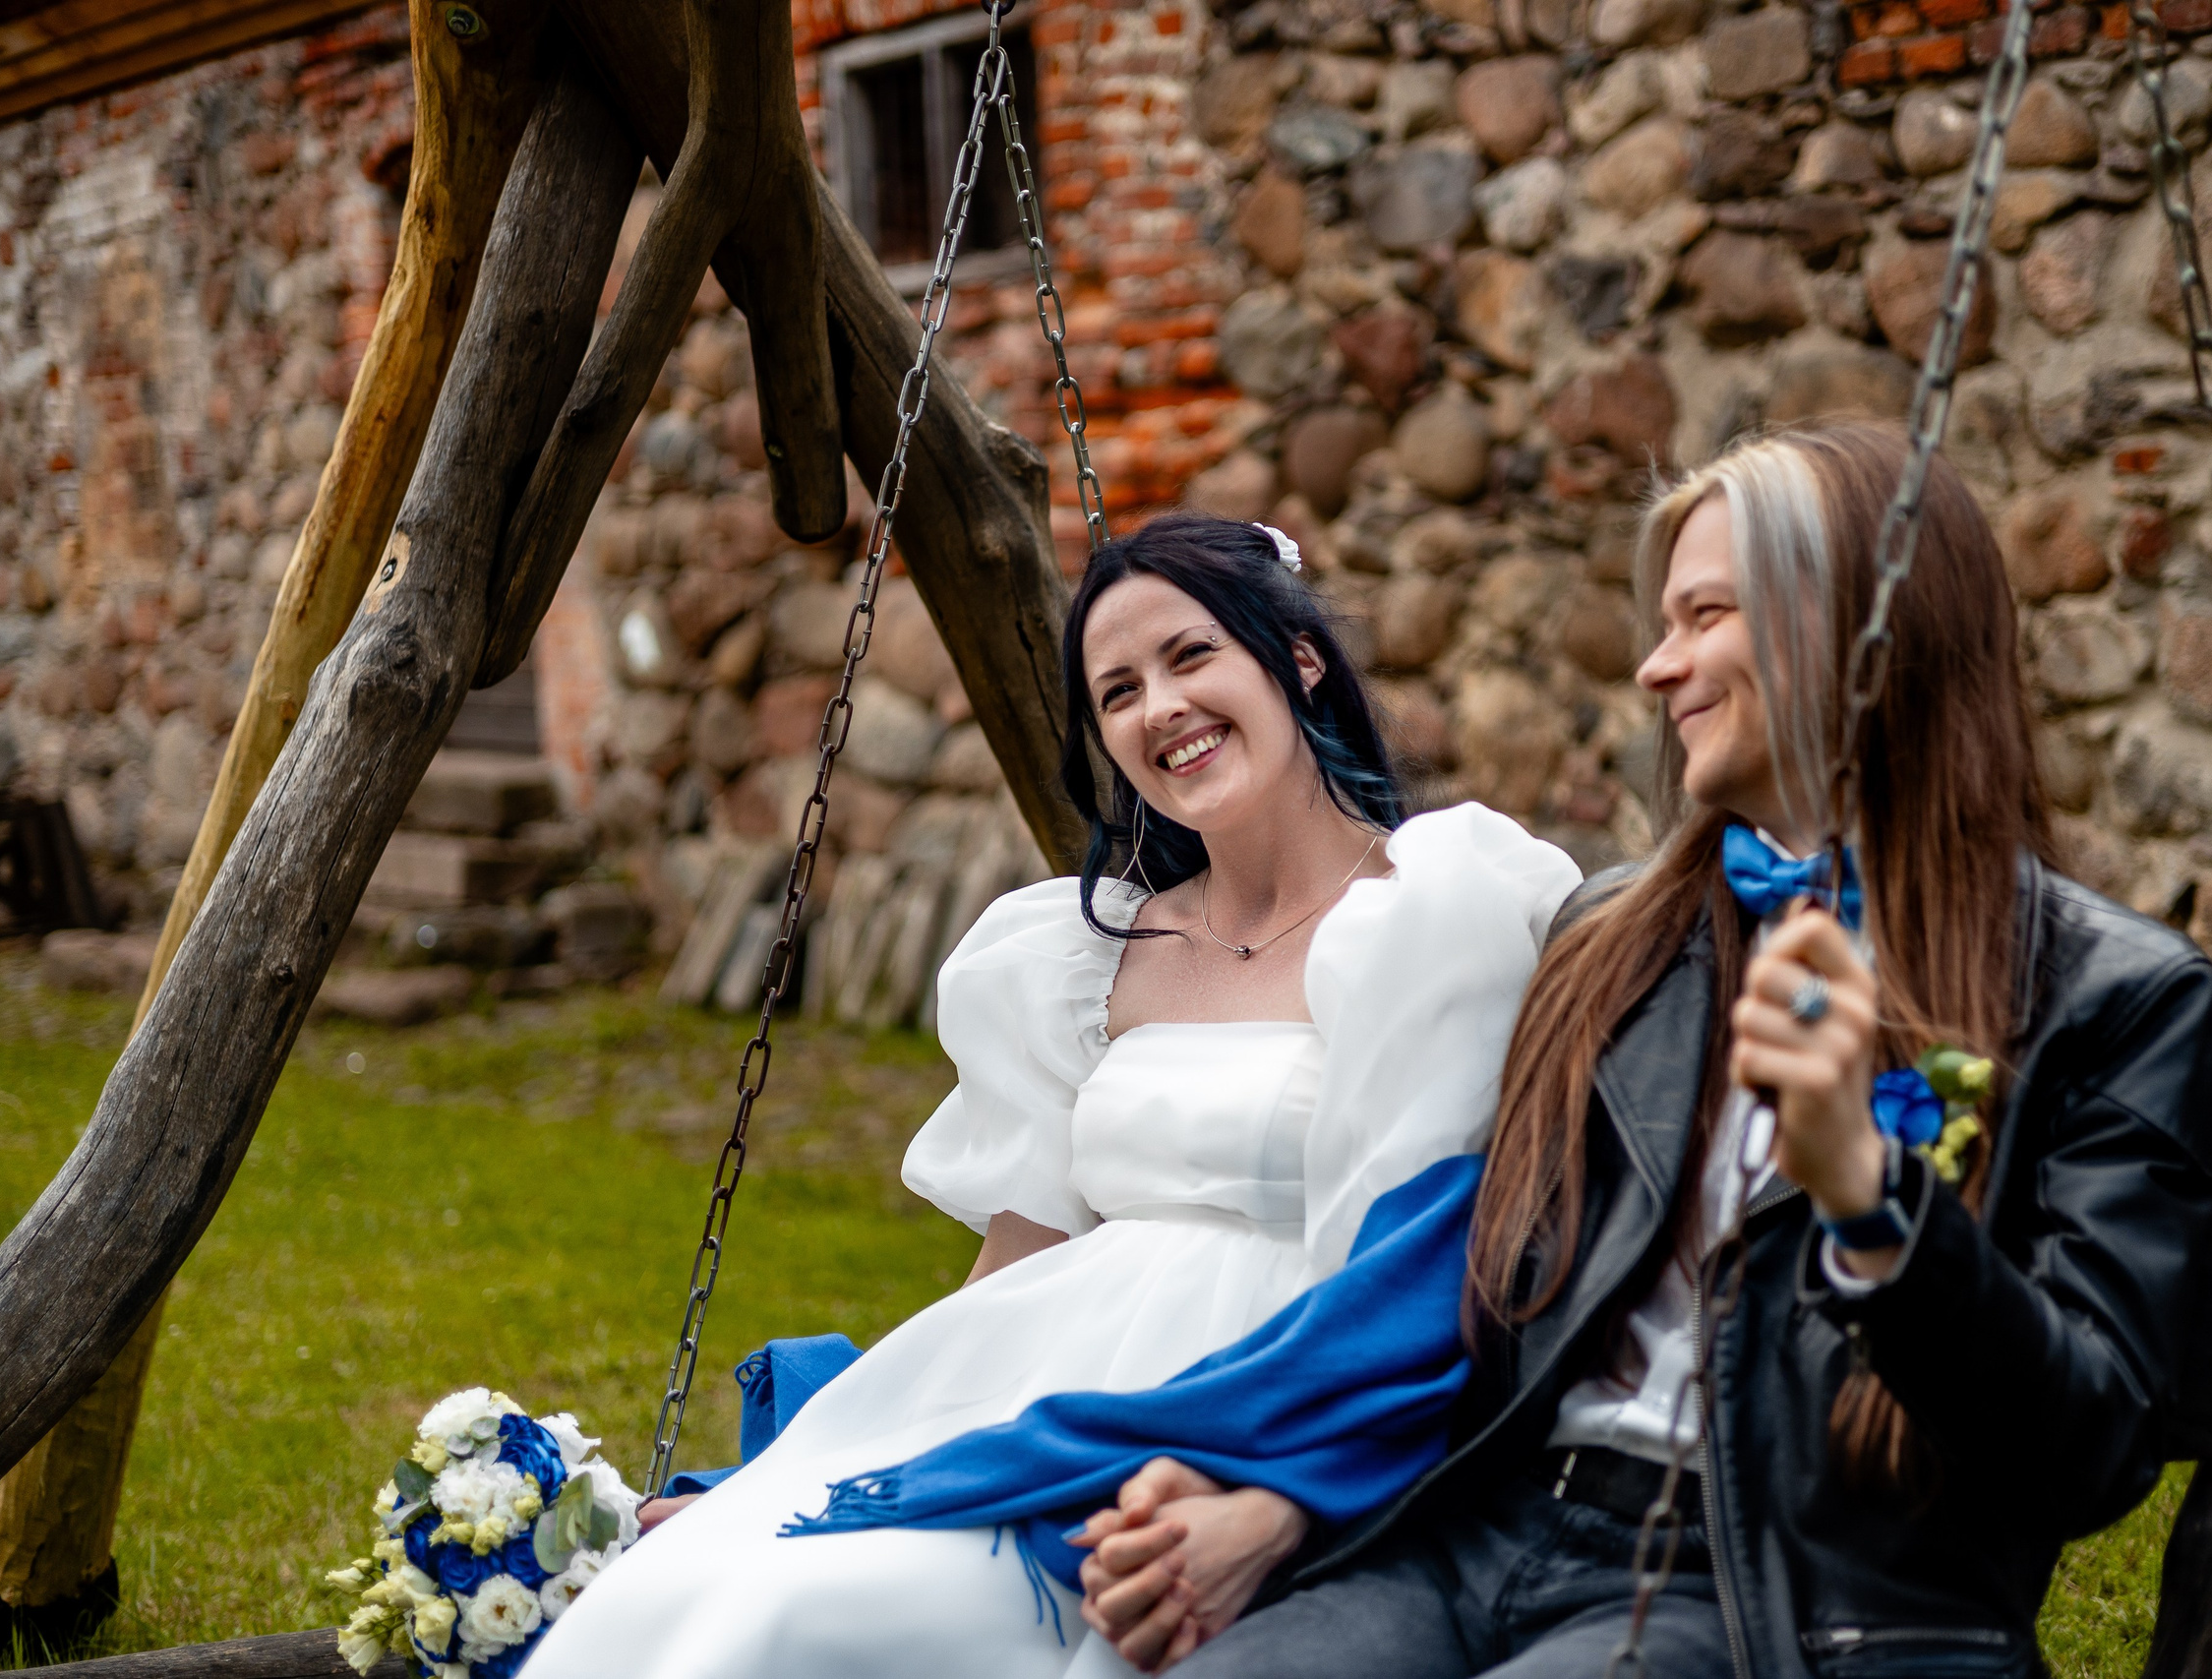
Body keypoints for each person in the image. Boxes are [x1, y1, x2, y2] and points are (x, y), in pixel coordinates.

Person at [1076, 423, 2212, 1677]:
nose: (1652, 668)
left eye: (1702, 617)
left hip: (1758, 1585)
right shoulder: (1614, 938)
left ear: (1856, 630)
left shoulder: (2109, 998)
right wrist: (1285, 1499)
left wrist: (1876, 1203)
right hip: (1482, 1535)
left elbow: (2090, 1447)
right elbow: (1478, 1297)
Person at [519, 514, 1580, 1679]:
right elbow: (1013, 1273)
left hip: (1239, 1412)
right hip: (1035, 1395)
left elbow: (1440, 1256)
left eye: (1190, 657)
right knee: (686, 1586)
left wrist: (1279, 1479)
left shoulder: (1436, 906)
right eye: (1116, 690)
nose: (1157, 708)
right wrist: (792, 1476)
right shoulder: (1082, 958)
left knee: (797, 1626)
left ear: (1300, 658)